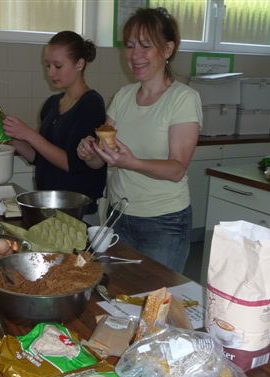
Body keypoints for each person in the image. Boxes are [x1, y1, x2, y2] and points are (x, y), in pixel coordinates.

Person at [77, 7, 202, 273]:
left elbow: (177, 169)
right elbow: (102, 160)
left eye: (146, 45)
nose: (135, 55)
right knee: (116, 291)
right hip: (118, 216)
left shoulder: (183, 99)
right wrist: (91, 153)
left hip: (164, 222)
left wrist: (132, 162)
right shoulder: (123, 96)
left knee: (156, 294)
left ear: (168, 49)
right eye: (130, 45)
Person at [2, 31, 107, 225]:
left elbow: (71, 163)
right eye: (48, 65)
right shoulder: (51, 104)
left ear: (80, 64)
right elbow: (39, 158)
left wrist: (29, 134)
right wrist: (12, 138)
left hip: (78, 213)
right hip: (47, 207)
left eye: (58, 66)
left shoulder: (91, 104)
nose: (50, 73)